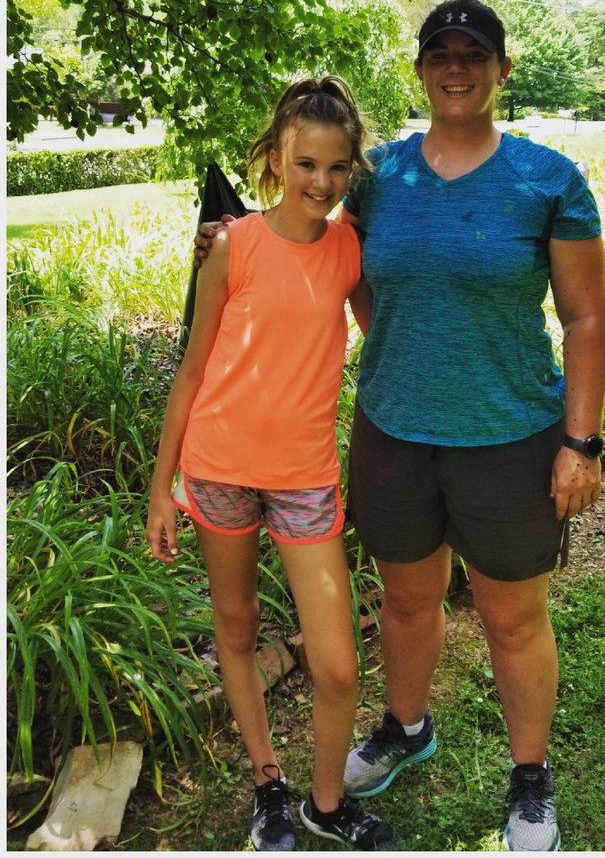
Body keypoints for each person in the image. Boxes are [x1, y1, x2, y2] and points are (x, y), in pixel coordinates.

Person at [197, 0, 605, 850]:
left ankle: (529, 779)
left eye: (474, 54)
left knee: (512, 618)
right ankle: (405, 729)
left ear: (501, 70)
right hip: (394, 434)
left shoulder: (548, 179)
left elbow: (583, 319)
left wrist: (580, 441)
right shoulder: (379, 177)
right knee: (409, 602)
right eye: (440, 54)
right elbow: (303, 236)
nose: (456, 67)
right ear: (421, 71)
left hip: (508, 437)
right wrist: (225, 235)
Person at [149, 77, 393, 852]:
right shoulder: (231, 245)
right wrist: (163, 488)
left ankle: (327, 803)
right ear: (277, 159)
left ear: (351, 169)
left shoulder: (350, 250)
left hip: (305, 479)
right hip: (218, 469)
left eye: (336, 168)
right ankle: (268, 784)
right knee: (238, 624)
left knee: (338, 667)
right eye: (305, 164)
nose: (319, 182)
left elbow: (384, 334)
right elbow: (191, 372)